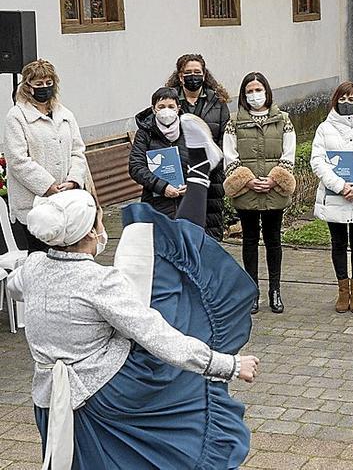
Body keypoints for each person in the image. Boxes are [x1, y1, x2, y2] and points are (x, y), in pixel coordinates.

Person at [8, 115, 260, 470]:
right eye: (99, 222)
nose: (102, 228)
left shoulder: (33, 269)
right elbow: (161, 339)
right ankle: (200, 174)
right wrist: (228, 365)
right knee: (168, 295)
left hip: (50, 399)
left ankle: (200, 175)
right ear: (91, 235)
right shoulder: (100, 283)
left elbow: (14, 287)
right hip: (112, 397)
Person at [223, 72, 297, 315]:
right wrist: (248, 180)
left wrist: (275, 179)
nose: (255, 95)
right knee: (250, 240)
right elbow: (229, 155)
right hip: (247, 191)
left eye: (259, 90)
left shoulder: (283, 119)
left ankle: (274, 290)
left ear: (267, 91)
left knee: (274, 241)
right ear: (244, 95)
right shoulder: (234, 122)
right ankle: (252, 292)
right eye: (250, 91)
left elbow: (289, 153)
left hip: (273, 190)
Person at [310, 81, 353, 313]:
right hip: (335, 196)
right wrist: (340, 186)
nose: (347, 103)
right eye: (343, 98)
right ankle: (342, 290)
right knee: (338, 243)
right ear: (335, 100)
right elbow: (317, 161)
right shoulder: (324, 128)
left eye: (352, 99)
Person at [3, 59, 88, 253]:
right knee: (40, 256)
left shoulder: (65, 114)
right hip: (33, 203)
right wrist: (47, 186)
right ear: (28, 86)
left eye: (48, 83)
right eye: (39, 84)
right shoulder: (17, 116)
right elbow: (17, 159)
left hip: (65, 200)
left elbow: (77, 151)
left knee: (64, 256)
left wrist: (74, 181)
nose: (44, 88)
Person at [165, 53, 231, 240]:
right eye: (188, 72)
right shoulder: (170, 103)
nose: (192, 76)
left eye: (197, 72)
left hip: (212, 176)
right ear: (180, 76)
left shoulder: (217, 102)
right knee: (184, 235)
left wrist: (212, 165)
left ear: (204, 74)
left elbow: (224, 137)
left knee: (210, 232)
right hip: (181, 177)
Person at [129, 87, 190, 219]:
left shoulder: (189, 130)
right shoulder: (144, 134)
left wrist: (191, 184)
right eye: (161, 106)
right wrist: (162, 187)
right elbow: (136, 167)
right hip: (156, 205)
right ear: (153, 109)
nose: (166, 111)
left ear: (178, 108)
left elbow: (202, 163)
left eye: (171, 106)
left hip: (187, 203)